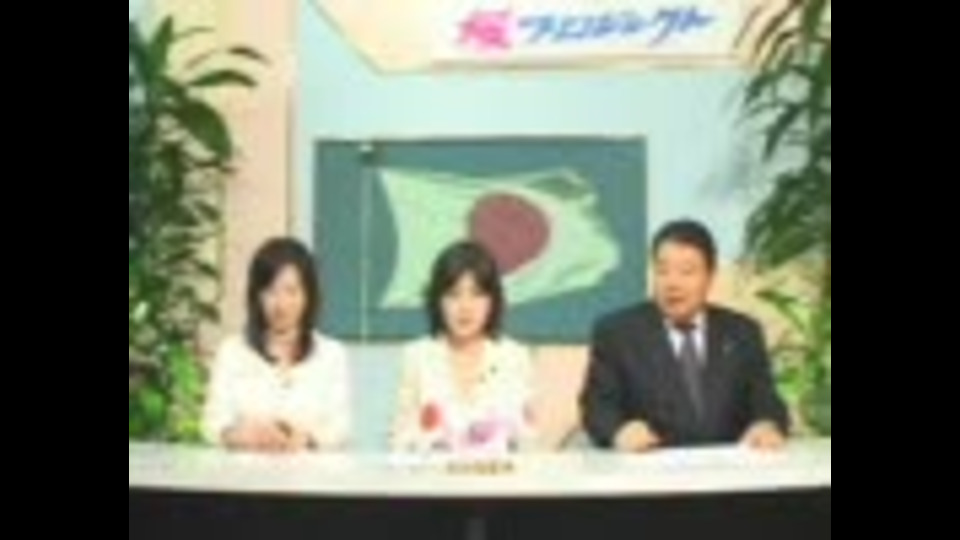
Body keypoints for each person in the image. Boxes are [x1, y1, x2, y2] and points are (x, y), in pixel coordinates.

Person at [581, 219, 789, 452]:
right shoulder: (617, 333)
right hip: (651, 468)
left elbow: (766, 400)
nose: (672, 283)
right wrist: (619, 431)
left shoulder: (742, 332)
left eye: (687, 272)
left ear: (710, 276)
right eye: (662, 271)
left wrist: (766, 424)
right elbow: (597, 407)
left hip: (726, 469)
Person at [202, 238, 351, 452]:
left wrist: (307, 439)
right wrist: (238, 435)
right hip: (245, 470)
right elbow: (212, 425)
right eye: (270, 291)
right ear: (256, 295)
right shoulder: (232, 351)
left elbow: (340, 428)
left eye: (291, 291)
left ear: (308, 296)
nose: (281, 304)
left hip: (308, 469)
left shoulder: (332, 354)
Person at [391, 241, 537, 454]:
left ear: (493, 301)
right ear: (437, 301)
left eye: (476, 294)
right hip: (433, 474)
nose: (465, 307)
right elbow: (400, 442)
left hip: (498, 474)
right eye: (453, 294)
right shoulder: (416, 357)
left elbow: (529, 442)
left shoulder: (515, 357)